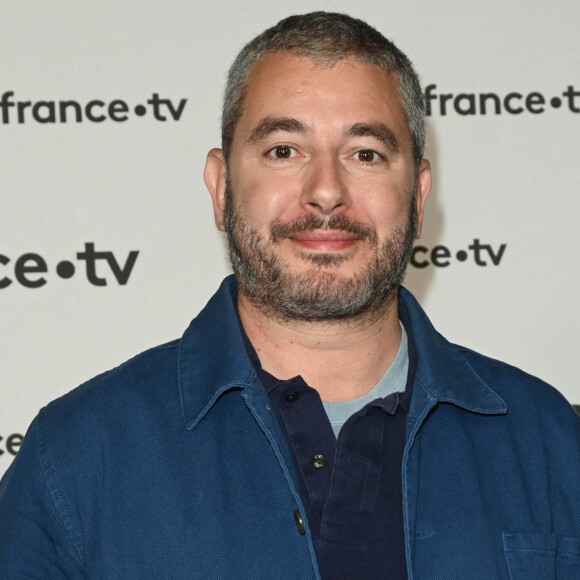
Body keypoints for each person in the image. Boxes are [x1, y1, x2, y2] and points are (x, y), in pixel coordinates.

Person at [1, 11, 579, 580]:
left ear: (420, 195)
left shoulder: (551, 442)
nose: (326, 192)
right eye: (284, 149)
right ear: (222, 185)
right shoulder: (79, 455)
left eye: (366, 154)